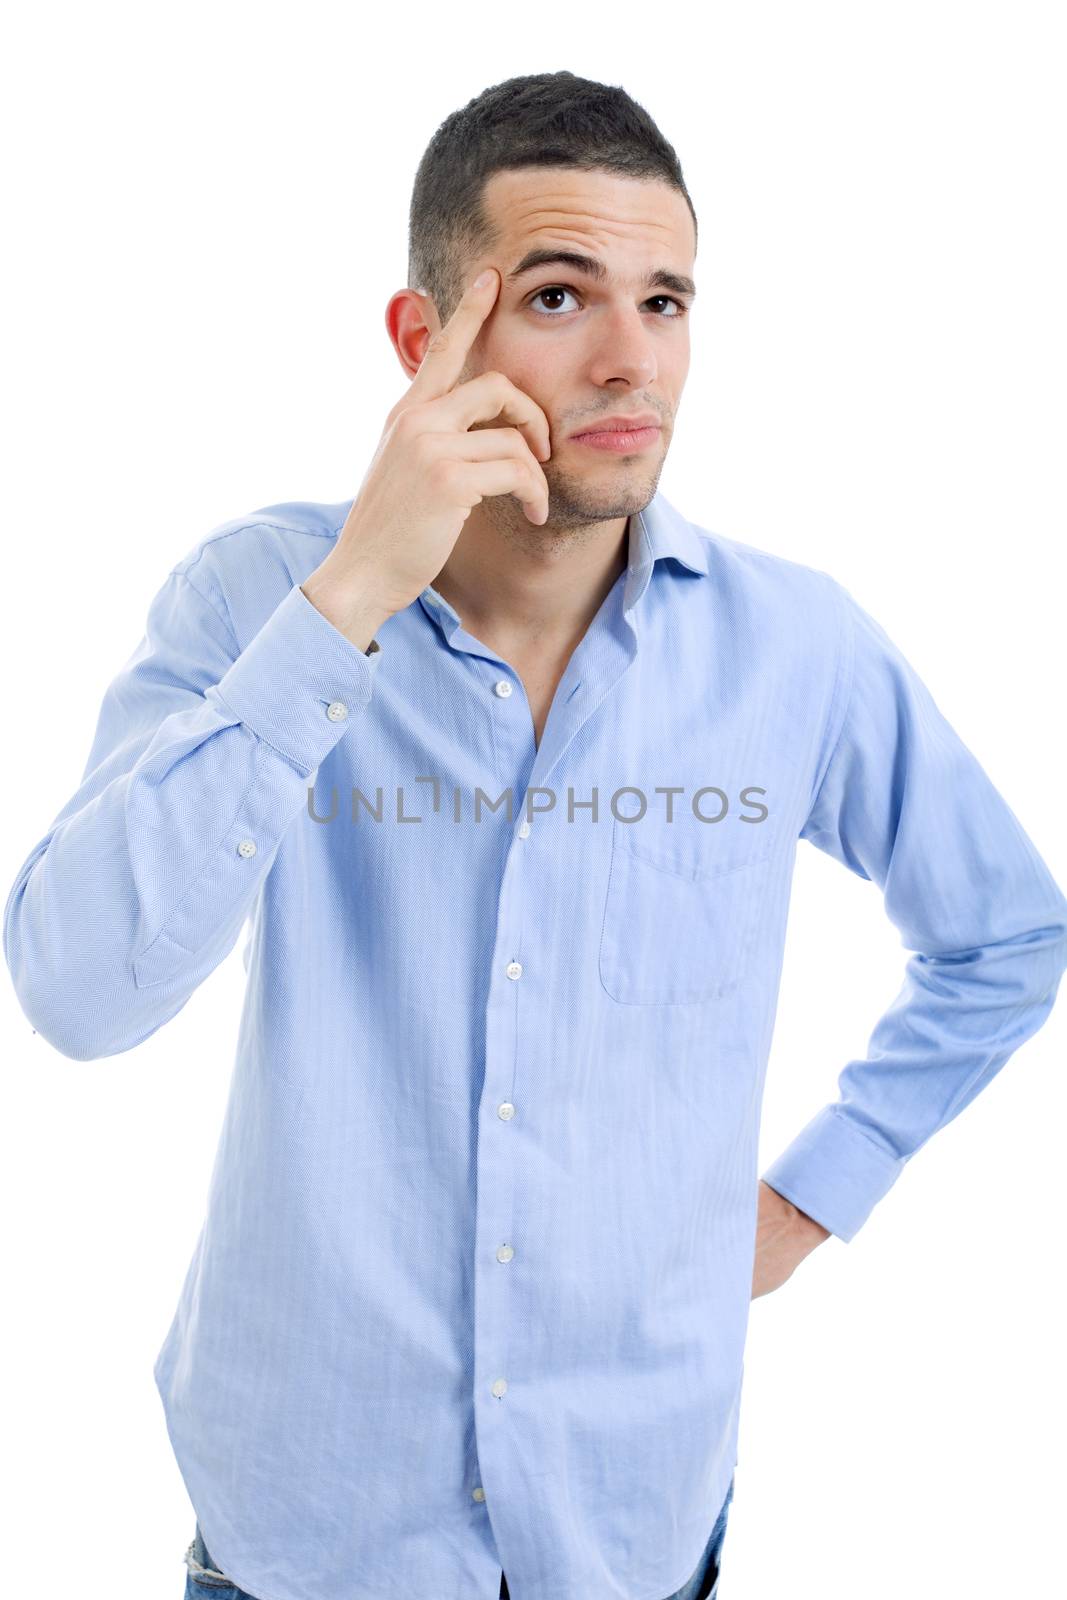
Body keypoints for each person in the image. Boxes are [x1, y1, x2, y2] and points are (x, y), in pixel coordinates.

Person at [5, 70, 1065, 1600]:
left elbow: (1008, 934)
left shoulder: (796, 649)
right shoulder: (256, 599)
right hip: (307, 1538)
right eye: (562, 295)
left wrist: (817, 1190)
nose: (635, 359)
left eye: (669, 299)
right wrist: (353, 595)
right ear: (424, 341)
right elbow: (78, 993)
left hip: (631, 1528)